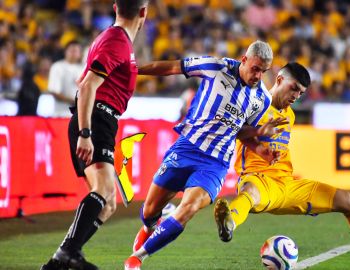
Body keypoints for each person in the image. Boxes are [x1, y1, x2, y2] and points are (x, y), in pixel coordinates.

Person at [214, 62, 350, 270]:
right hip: (259, 180)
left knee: (348, 200)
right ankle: (229, 221)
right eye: (294, 89)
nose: (296, 97)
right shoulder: (253, 104)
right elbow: (233, 131)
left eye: (301, 93)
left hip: (288, 185)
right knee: (250, 193)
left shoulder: (289, 114)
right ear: (279, 79)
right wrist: (259, 133)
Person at [124, 40, 285, 270]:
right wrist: (134, 70)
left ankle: (137, 258)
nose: (258, 76)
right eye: (256, 68)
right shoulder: (215, 66)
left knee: (188, 207)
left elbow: (241, 132)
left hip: (215, 163)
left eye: (264, 71)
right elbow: (171, 68)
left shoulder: (262, 99)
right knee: (149, 211)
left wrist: (262, 147)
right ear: (244, 60)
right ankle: (150, 227)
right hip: (186, 148)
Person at [41, 1, 149, 269]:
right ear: (144, 13)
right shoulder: (117, 40)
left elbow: (87, 81)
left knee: (108, 202)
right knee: (103, 189)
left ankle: (59, 260)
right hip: (96, 119)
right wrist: (85, 132)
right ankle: (67, 253)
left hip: (102, 120)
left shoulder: (117, 40)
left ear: (115, 7)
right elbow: (88, 84)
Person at [47, 40, 84, 117]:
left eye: (76, 51)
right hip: (61, 113)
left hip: (79, 115)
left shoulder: (84, 68)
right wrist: (74, 101)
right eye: (71, 50)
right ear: (65, 52)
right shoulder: (57, 67)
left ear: (80, 54)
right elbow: (54, 92)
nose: (73, 53)